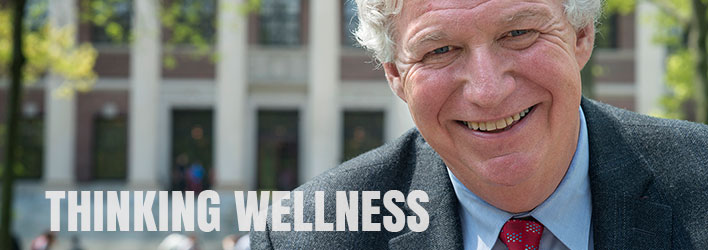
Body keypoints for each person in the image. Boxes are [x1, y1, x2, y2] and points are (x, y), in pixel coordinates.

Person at [250, 0, 708, 249]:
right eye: (439, 50)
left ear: (581, 35)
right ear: (395, 75)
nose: (487, 91)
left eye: (518, 33)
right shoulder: (308, 236)